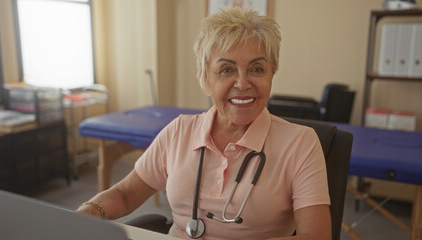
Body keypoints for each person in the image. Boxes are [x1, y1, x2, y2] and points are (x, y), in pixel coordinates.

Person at [77, 7, 332, 240]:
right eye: (226, 70)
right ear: (205, 79)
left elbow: (316, 237)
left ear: (271, 74)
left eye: (256, 69)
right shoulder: (179, 131)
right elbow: (125, 195)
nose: (242, 83)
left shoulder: (301, 144)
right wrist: (88, 212)